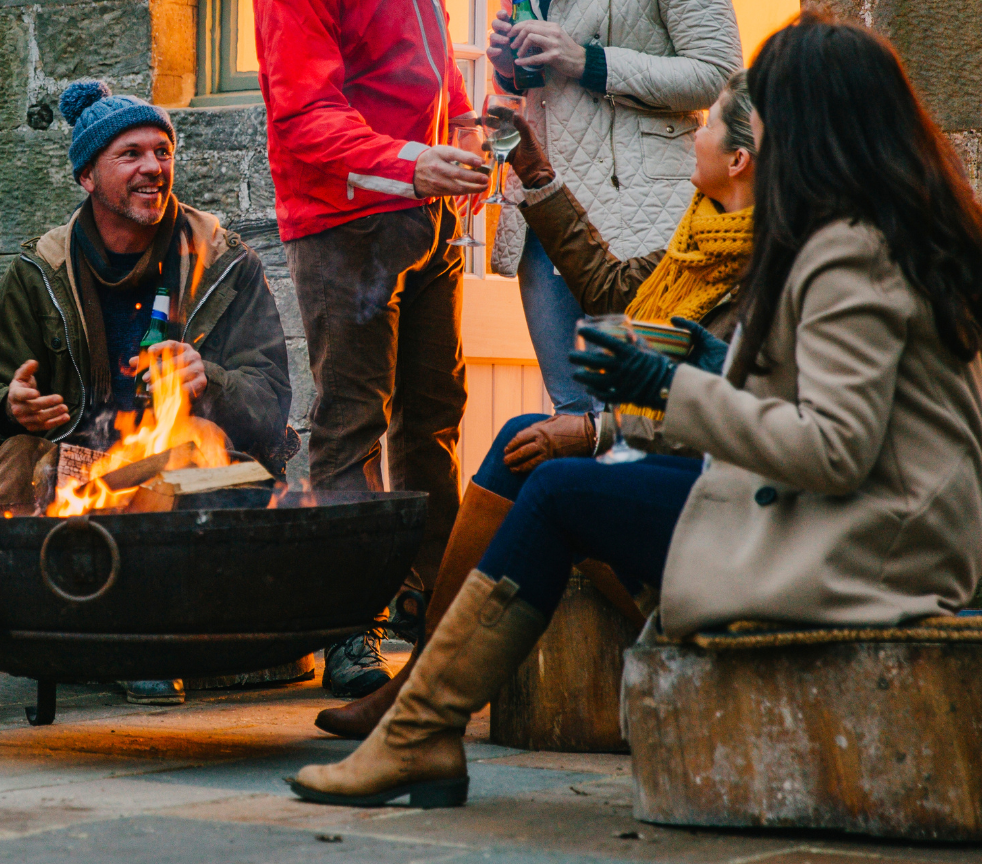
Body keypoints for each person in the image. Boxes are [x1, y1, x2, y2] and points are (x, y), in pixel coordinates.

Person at [289, 16, 982, 807]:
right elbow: (797, 399)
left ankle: (419, 731)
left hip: (871, 545)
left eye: (748, 113)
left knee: (563, 492)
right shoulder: (860, 231)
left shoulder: (849, 249)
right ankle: (420, 727)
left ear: (801, 127)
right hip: (866, 521)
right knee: (556, 479)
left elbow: (832, 448)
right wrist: (698, 369)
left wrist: (664, 391)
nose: (715, 131)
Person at [315, 70, 754, 739]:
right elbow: (610, 286)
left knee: (549, 472)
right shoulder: (698, 242)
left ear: (739, 160)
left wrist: (598, 431)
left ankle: (425, 704)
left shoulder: (771, 269)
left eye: (711, 123)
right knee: (527, 438)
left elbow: (744, 414)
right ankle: (422, 690)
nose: (695, 132)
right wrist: (534, 169)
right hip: (683, 457)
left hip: (732, 492)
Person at [0, 80, 293, 712]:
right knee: (22, 448)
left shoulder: (225, 261)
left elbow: (272, 410)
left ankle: (145, 644)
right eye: (131, 154)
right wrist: (10, 406)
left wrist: (211, 380)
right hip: (88, 470)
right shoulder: (38, 270)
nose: (154, 167)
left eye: (162, 151)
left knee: (193, 435)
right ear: (87, 176)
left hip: (209, 478)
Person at [248, 0, 484, 699]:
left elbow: (434, 55)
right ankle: (346, 624)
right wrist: (407, 161)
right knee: (350, 425)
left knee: (437, 418)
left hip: (422, 210)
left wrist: (459, 128)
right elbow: (303, 115)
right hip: (342, 219)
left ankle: (432, 606)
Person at [485, 0, 741, 418]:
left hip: (639, 221)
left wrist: (589, 61)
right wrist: (512, 69)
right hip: (544, 217)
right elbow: (546, 89)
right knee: (568, 412)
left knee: (629, 421)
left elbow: (717, 71)